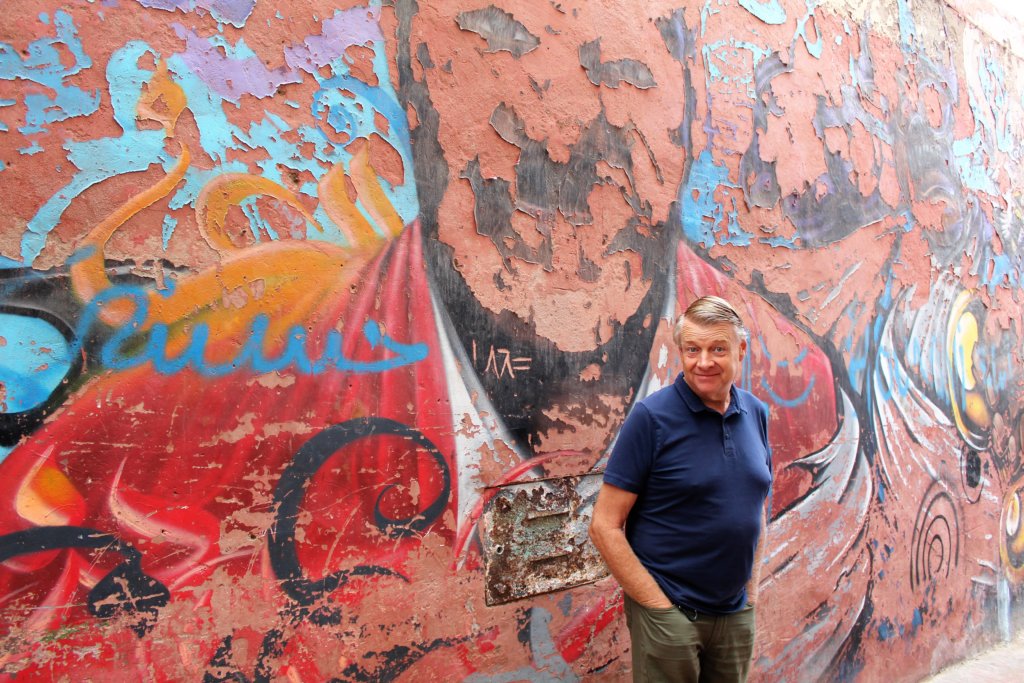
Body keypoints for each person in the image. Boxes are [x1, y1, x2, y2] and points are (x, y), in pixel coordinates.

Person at [590, 295, 771, 683]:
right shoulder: (651, 418)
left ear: (740, 349)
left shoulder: (756, 412)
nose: (703, 361)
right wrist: (658, 609)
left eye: (717, 348)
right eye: (692, 349)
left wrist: (750, 595)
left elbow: (755, 505)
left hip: (735, 614)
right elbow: (604, 525)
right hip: (671, 614)